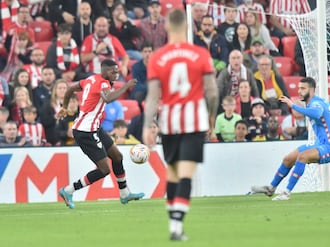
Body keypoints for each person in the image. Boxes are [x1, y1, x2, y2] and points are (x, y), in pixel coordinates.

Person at [142, 9, 218, 241]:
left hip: (170, 122)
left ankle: (173, 223)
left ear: (166, 27)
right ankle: (177, 225)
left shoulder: (157, 57)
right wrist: (212, 118)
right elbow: (212, 92)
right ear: (187, 26)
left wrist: (147, 126)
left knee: (173, 172)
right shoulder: (200, 53)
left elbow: (153, 96)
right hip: (194, 120)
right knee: (187, 173)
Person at [56, 59, 144, 209]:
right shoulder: (103, 82)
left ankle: (124, 193)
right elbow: (108, 98)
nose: (116, 74)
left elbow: (70, 89)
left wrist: (64, 107)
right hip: (85, 132)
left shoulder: (90, 79)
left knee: (117, 156)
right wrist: (126, 86)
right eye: (112, 72)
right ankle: (68, 190)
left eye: (117, 71)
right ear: (103, 71)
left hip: (94, 128)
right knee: (104, 170)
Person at [251, 77, 330, 200]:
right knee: (288, 159)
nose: (299, 91)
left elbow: (317, 113)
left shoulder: (317, 104)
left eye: (303, 88)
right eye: (298, 88)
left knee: (303, 156)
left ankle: (286, 192)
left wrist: (293, 105)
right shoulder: (321, 102)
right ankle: (271, 188)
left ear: (311, 90)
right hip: (319, 144)